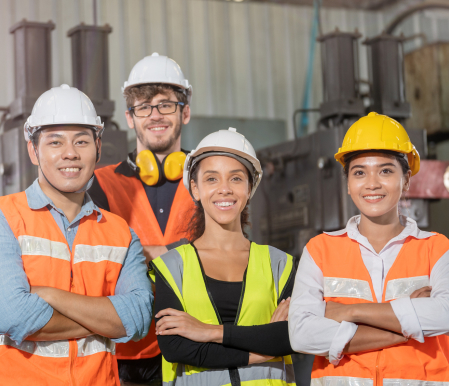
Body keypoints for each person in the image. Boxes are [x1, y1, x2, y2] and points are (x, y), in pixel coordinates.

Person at [0, 84, 153, 385]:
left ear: (98, 148)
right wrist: (107, 321)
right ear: (33, 150)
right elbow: (14, 315)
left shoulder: (120, 232)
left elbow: (137, 319)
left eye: (81, 141)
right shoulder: (5, 217)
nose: (70, 154)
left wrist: (50, 295)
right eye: (55, 142)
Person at [288, 112, 449, 386]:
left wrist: (349, 311)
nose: (372, 183)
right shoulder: (320, 251)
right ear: (348, 184)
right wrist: (407, 326)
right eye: (359, 172)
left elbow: (444, 314)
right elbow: (301, 334)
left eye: (385, 170)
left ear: (406, 180)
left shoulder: (437, 248)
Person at [150, 127, 297, 386]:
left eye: (236, 178)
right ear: (195, 189)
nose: (225, 189)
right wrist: (264, 350)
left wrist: (207, 332)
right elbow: (176, 348)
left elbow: (291, 337)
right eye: (212, 179)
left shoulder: (280, 264)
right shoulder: (171, 267)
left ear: (249, 187)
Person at [88, 53, 196, 385]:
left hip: (195, 344)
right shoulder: (100, 183)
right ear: (130, 117)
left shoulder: (209, 179)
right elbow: (98, 260)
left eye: (166, 105)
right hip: (126, 356)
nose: (155, 115)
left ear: (185, 112)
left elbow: (230, 254)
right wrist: (183, 253)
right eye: (144, 107)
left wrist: (138, 253)